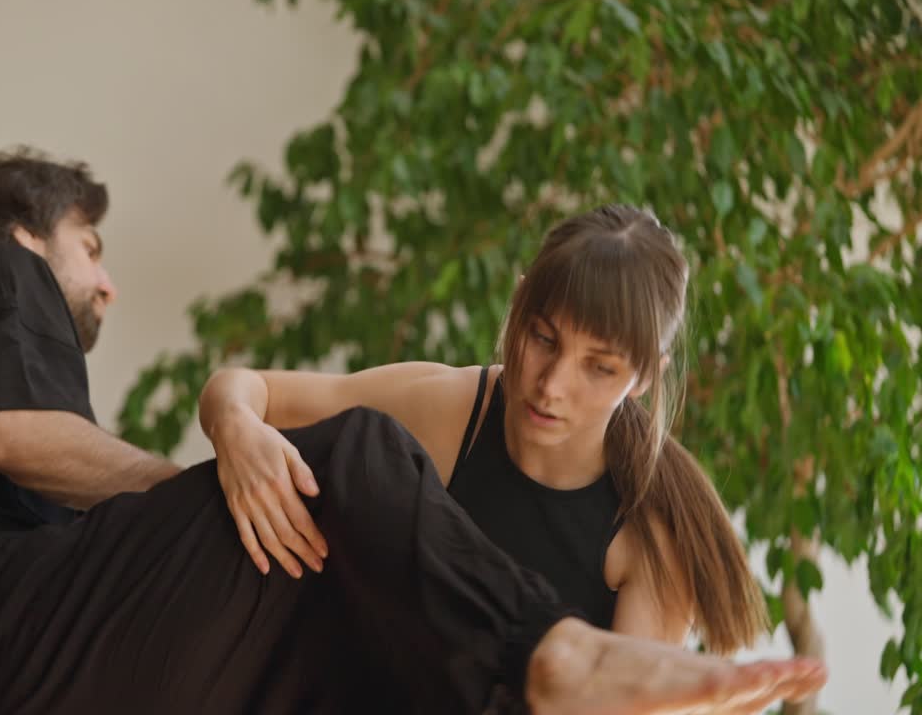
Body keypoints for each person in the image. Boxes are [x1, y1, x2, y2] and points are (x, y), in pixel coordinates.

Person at [0, 150, 826, 714]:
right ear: (20, 233)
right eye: (89, 247)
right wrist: (226, 480)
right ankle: (552, 652)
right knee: (357, 457)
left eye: (600, 366)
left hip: (24, 670)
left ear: (645, 378)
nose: (106, 280)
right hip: (28, 648)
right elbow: (12, 431)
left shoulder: (653, 524)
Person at [199, 204, 769, 654]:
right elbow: (250, 390)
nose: (551, 385)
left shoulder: (651, 543)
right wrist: (237, 434)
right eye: (543, 338)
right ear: (519, 303)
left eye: (599, 367)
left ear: (645, 378)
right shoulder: (457, 412)